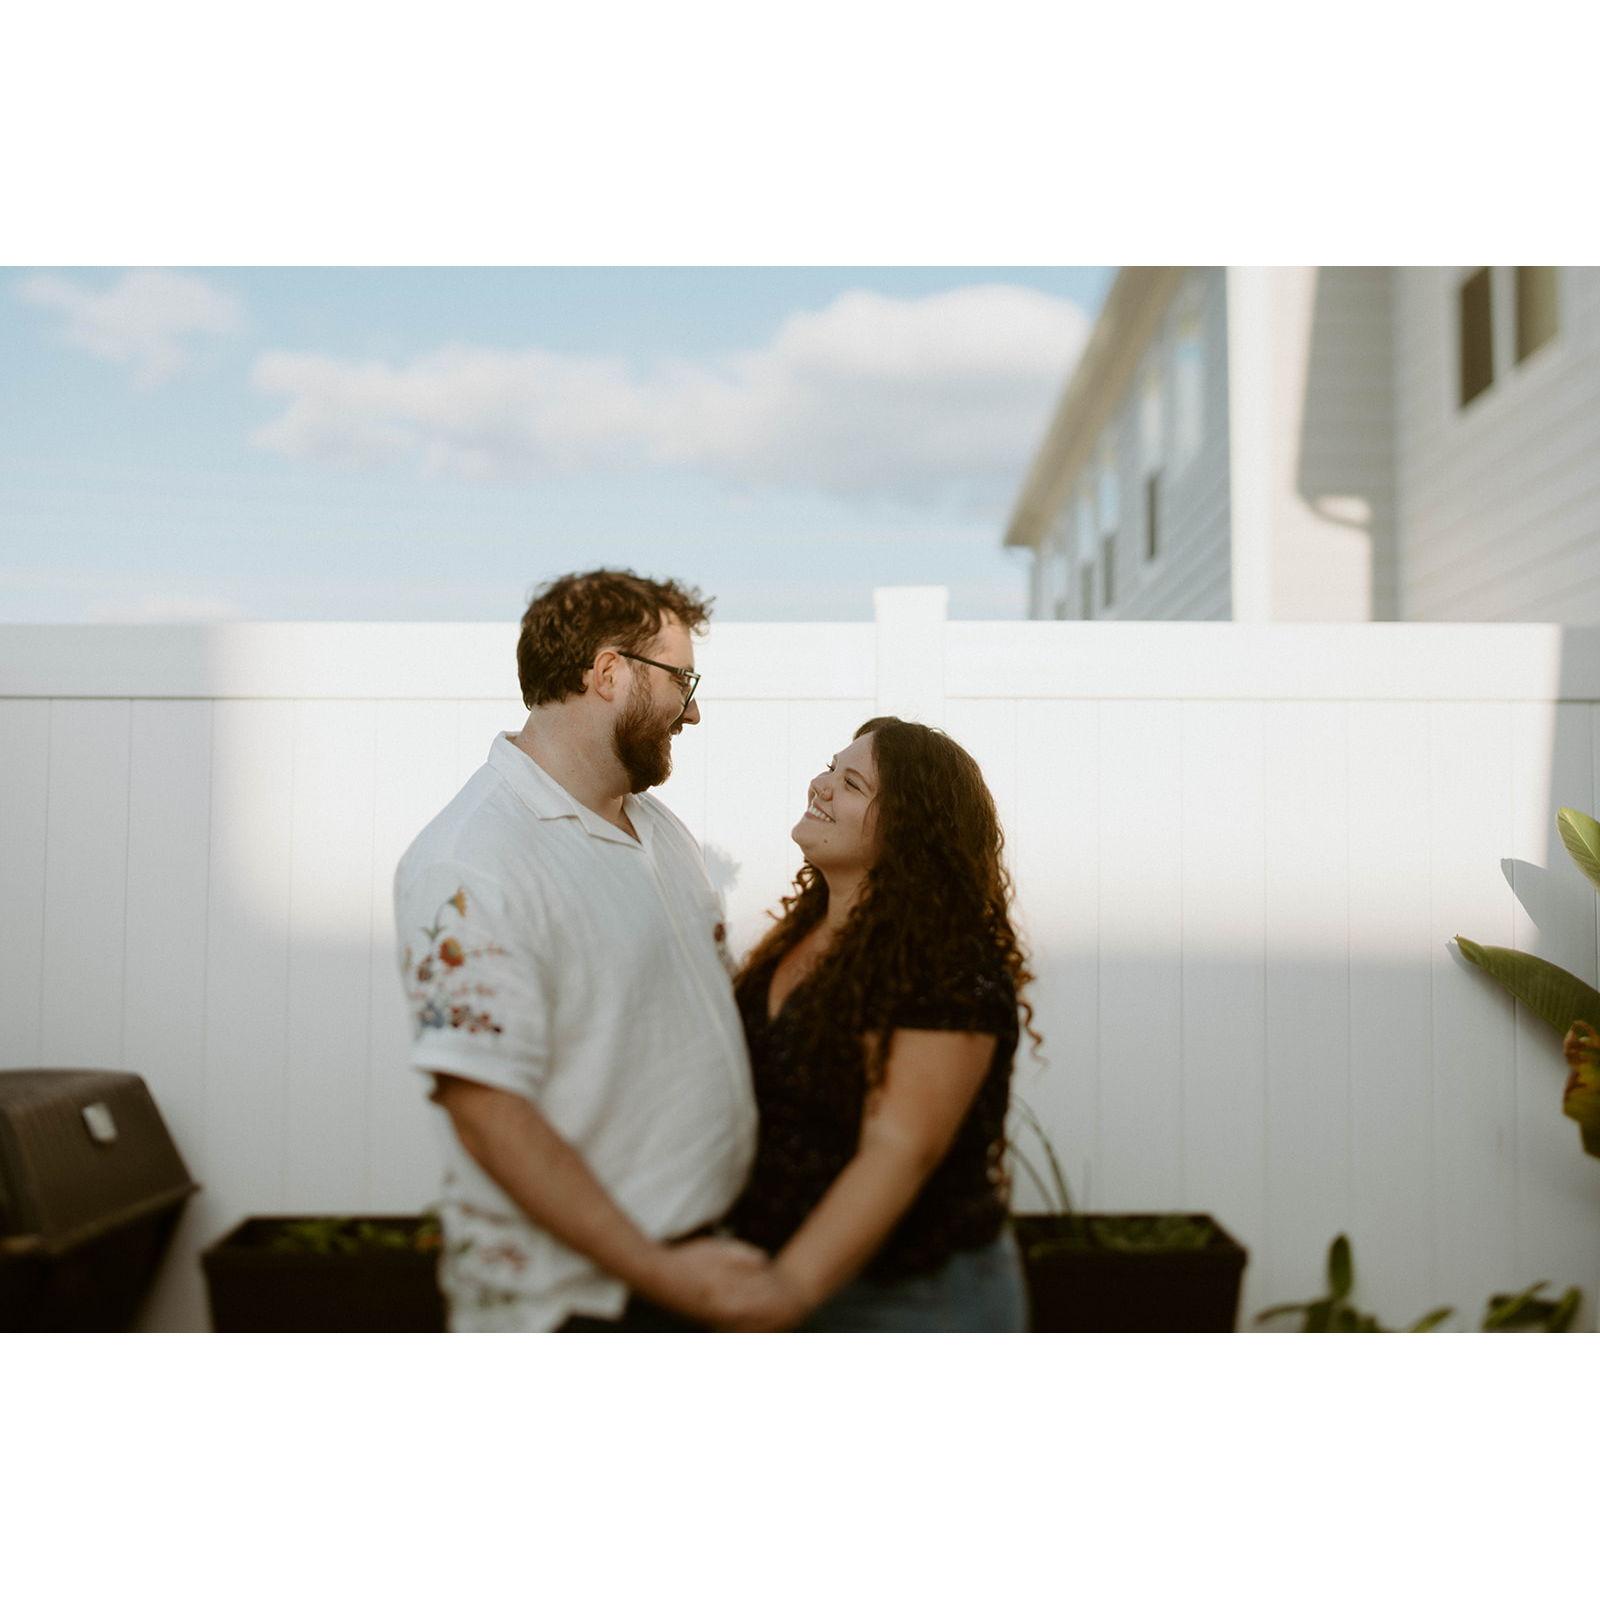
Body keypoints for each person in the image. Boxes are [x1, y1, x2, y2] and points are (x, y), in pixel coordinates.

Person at [393, 568, 789, 1332]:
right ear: (609, 673)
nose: (694, 710)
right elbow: (486, 1110)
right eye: (683, 679)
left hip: (693, 1259)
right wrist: (664, 1274)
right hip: (586, 1301)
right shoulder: (472, 861)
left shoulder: (658, 828)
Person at [719, 715, 1037, 1331]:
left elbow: (902, 1147)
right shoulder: (794, 942)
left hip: (914, 1297)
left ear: (909, 830)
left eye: (853, 784)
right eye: (830, 768)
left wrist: (780, 1294)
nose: (821, 785)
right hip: (796, 1272)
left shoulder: (946, 958)